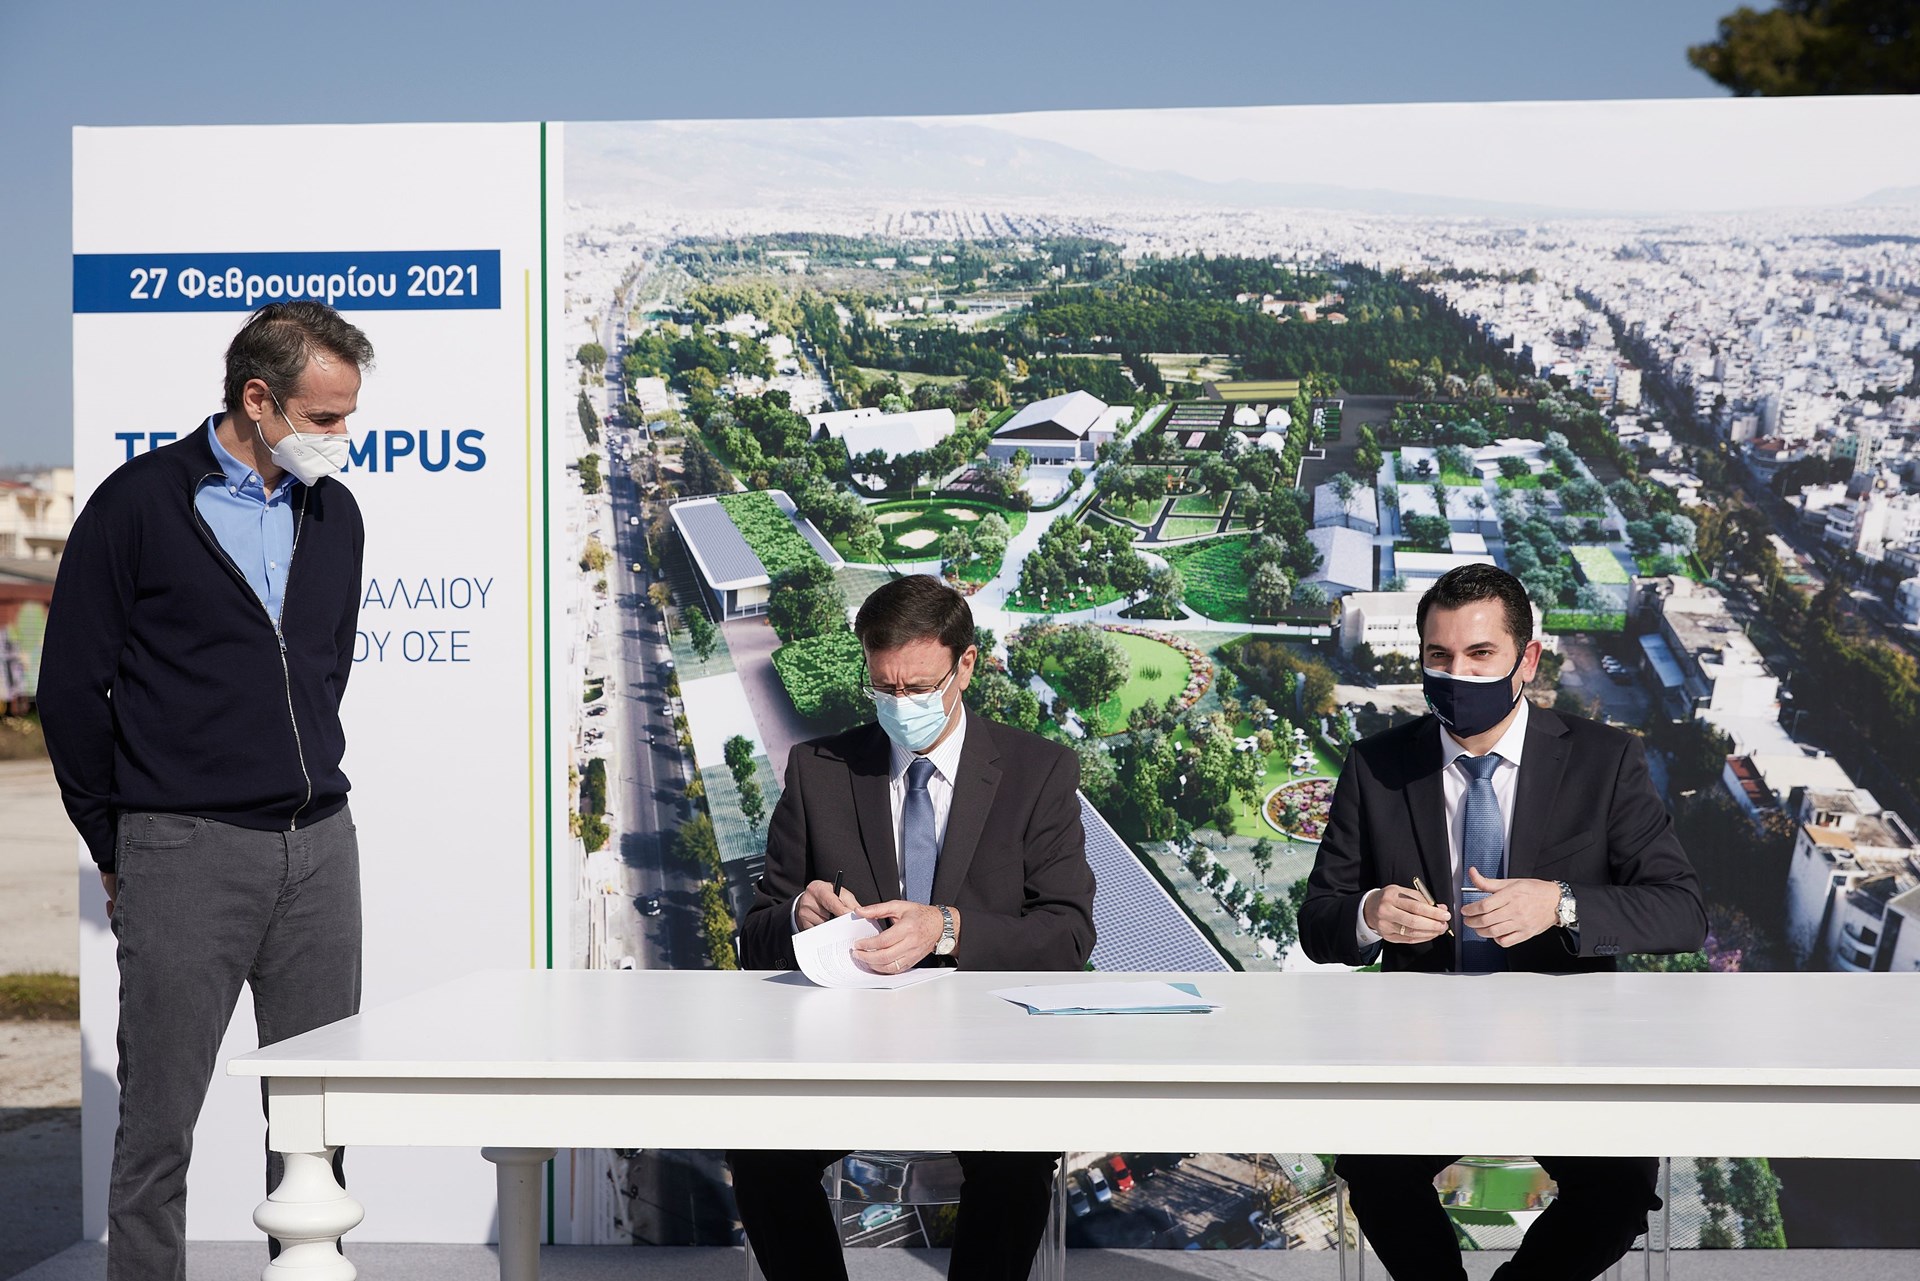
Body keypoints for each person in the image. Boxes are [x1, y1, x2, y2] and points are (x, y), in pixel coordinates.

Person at [40, 301, 374, 1279]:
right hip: (183, 852)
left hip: (321, 850)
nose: (341, 438)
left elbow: (322, 669)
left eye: (349, 417)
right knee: (158, 1131)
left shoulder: (337, 514)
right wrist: (119, 844)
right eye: (324, 418)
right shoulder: (138, 504)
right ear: (257, 399)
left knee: (316, 1126)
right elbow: (70, 691)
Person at [1301, 563, 1706, 1281]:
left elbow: (1682, 909)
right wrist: (1369, 913)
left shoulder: (1606, 761)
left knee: (1617, 1189)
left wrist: (1563, 903)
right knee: (1375, 1171)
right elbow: (1319, 921)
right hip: (1422, 1049)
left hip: (1566, 1051)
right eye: (1439, 655)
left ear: (1528, 659)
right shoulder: (1377, 766)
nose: (1457, 674)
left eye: (1480, 654)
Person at [731, 574, 1096, 1281]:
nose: (901, 705)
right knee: (760, 1152)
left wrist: (948, 928)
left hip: (988, 1050)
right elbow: (757, 936)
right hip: (845, 1052)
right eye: (885, 688)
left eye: (920, 687)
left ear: (967, 665)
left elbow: (1068, 933)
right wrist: (798, 914)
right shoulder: (820, 770)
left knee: (1015, 1162)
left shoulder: (1038, 772)